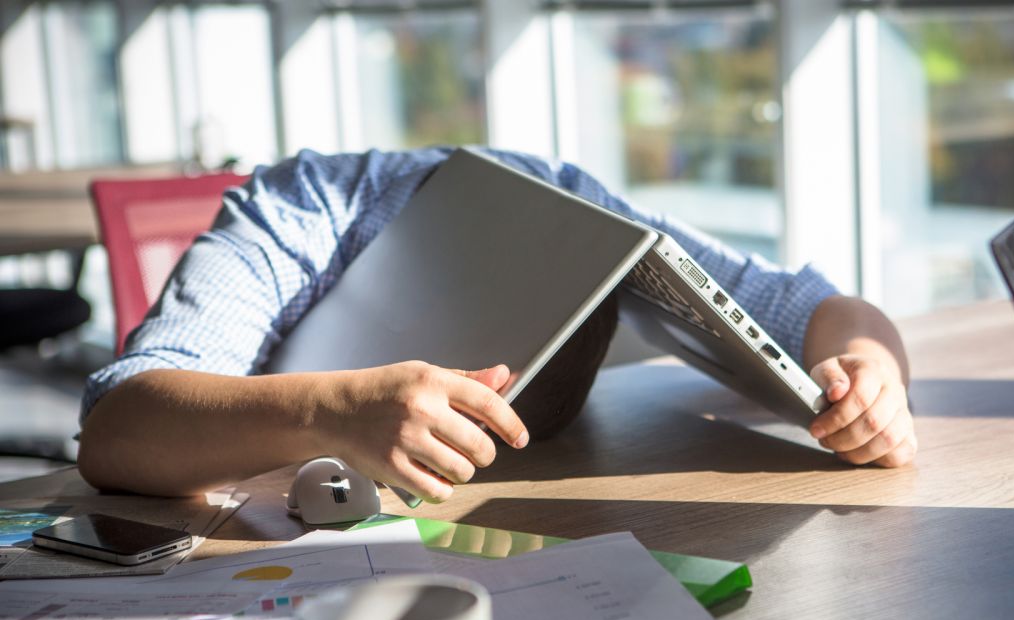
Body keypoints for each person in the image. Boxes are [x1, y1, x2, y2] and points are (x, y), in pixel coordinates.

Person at [78, 147, 916, 500]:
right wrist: (331, 411)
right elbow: (116, 428)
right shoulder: (299, 210)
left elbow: (815, 307)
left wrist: (870, 371)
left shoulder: (572, 206)